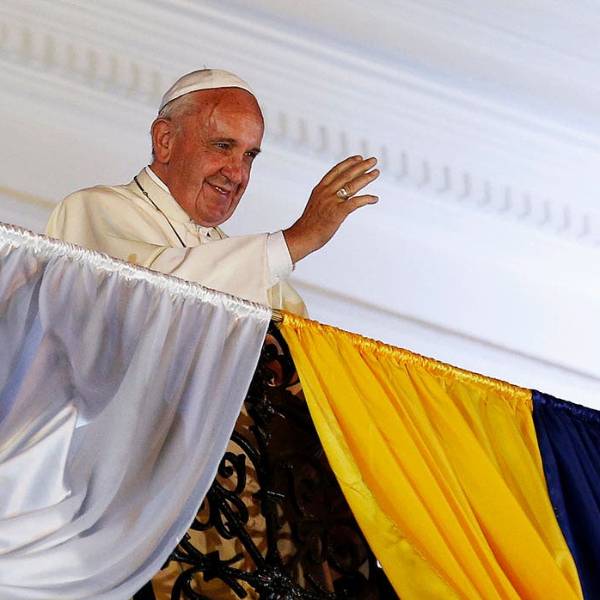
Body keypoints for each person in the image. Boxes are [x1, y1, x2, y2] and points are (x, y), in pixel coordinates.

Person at [46, 69, 380, 315]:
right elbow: (147, 297)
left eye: (249, 155)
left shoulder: (264, 281)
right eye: (222, 146)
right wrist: (298, 239)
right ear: (165, 140)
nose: (237, 173)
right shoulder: (93, 209)